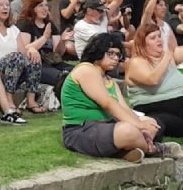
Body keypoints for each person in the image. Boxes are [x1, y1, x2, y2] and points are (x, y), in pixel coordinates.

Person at [61, 33, 170, 162]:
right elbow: (107, 103)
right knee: (128, 131)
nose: (115, 58)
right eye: (110, 53)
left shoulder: (110, 81)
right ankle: (154, 149)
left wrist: (143, 123)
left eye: (118, 55)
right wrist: (140, 126)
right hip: (81, 130)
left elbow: (124, 108)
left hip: (107, 126)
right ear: (97, 52)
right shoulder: (86, 69)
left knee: (152, 123)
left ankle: (125, 151)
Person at [125, 20, 183, 138]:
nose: (159, 40)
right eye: (153, 38)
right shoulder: (136, 62)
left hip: (181, 107)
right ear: (142, 43)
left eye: (159, 36)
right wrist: (166, 56)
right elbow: (153, 80)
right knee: (167, 122)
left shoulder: (169, 55)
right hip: (154, 111)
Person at [0, 0, 46, 114]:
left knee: (33, 58)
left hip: (13, 69)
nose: (6, 7)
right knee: (15, 57)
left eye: (7, 5)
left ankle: (31, 100)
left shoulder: (13, 29)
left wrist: (32, 50)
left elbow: (23, 53)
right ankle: (9, 99)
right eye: (1, 5)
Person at [16, 0, 71, 87]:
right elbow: (24, 50)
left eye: (46, 5)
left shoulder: (50, 24)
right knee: (62, 78)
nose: (45, 8)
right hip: (35, 64)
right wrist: (44, 37)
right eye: (40, 5)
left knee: (77, 72)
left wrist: (62, 41)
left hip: (52, 62)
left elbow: (58, 53)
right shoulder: (25, 24)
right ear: (32, 8)